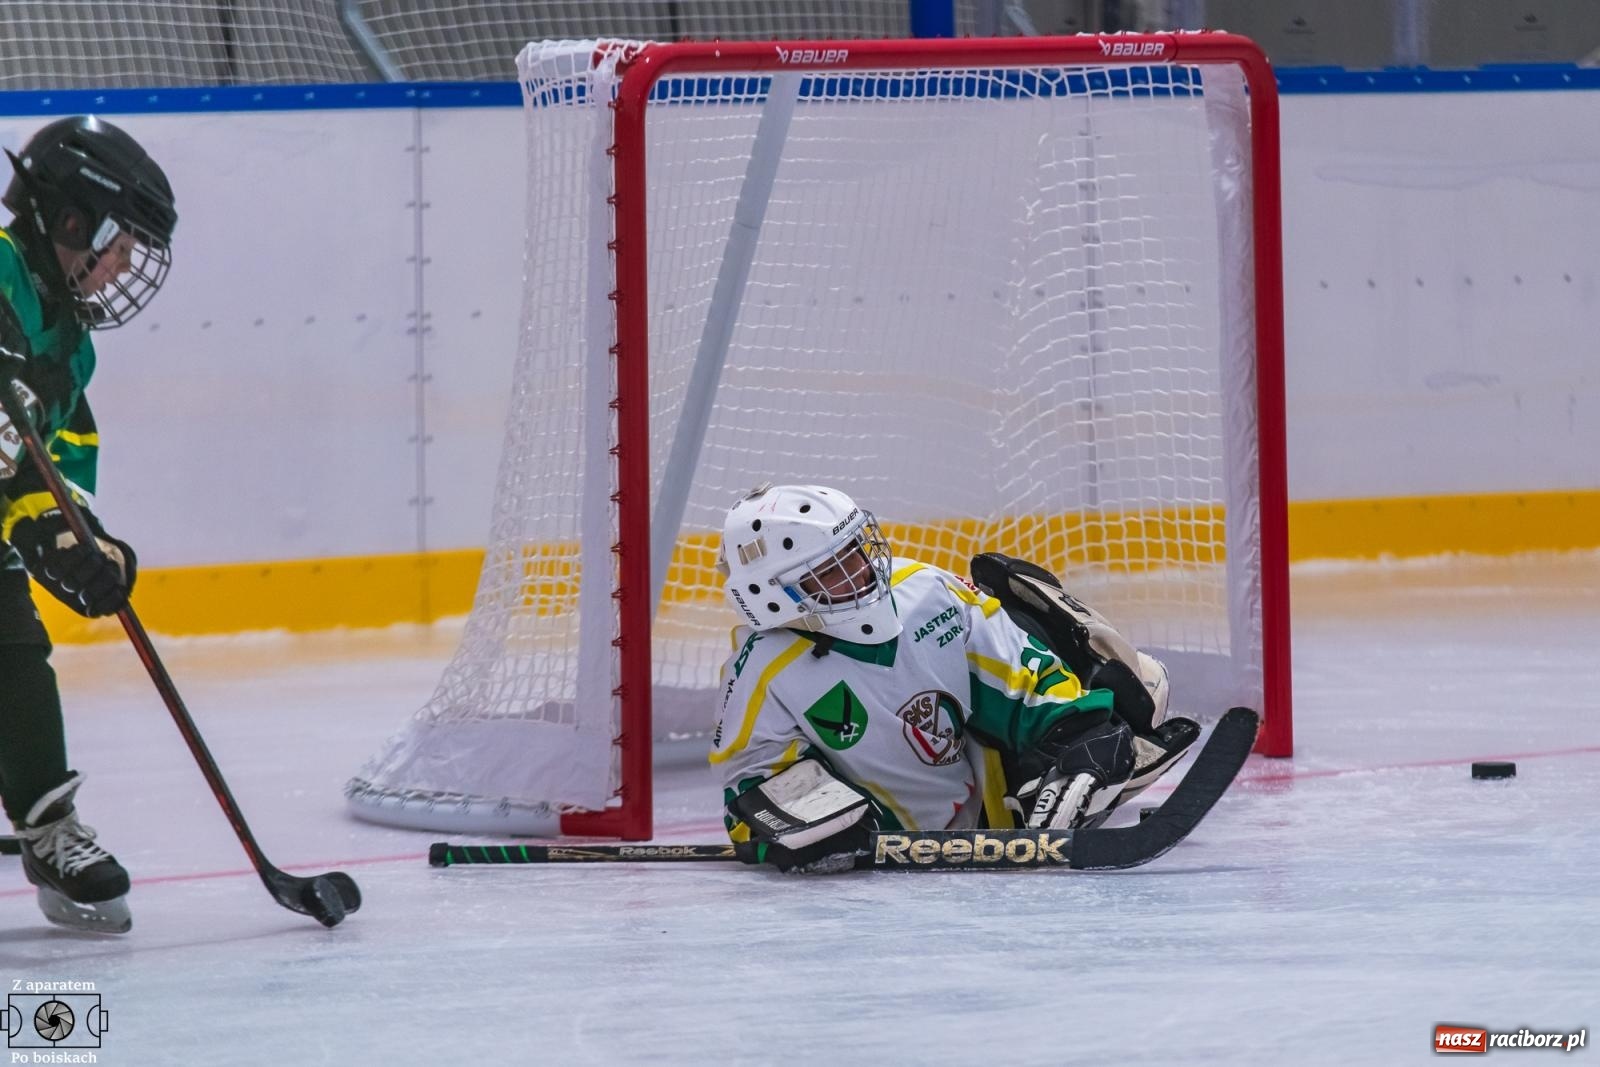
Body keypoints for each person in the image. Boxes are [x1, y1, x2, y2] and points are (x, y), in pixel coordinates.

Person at [710, 483, 1201, 873]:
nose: (862, 572)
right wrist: (794, 834)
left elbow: (1019, 668)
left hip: (1002, 815)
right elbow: (749, 782)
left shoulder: (927, 593)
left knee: (1138, 684)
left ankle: (1074, 786)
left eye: (857, 550)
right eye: (833, 569)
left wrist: (1080, 732)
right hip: (890, 857)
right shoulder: (761, 670)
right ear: (773, 595)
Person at [0, 115, 177, 931]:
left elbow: (55, 468)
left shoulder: (72, 346)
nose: (124, 266)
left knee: (13, 646)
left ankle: (47, 826)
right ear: (70, 219)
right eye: (119, 242)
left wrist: (83, 545)